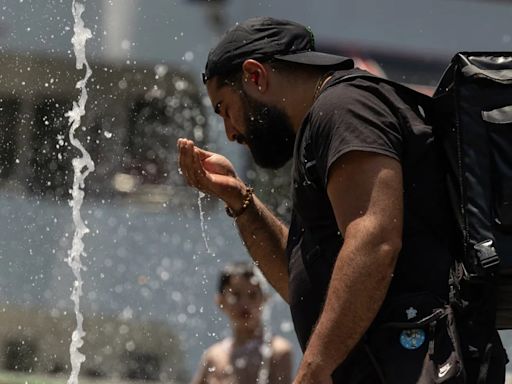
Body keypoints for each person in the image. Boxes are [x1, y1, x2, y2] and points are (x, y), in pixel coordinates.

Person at [178, 17, 507, 383]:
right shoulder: (325, 124)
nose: (229, 132)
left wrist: (314, 370)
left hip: (419, 365)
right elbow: (299, 284)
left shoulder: (344, 108)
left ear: (255, 76)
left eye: (224, 108)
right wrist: (241, 201)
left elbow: (374, 240)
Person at [190, 261, 293, 384]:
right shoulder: (213, 357)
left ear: (265, 299)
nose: (244, 304)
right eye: (236, 295)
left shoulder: (277, 352)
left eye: (252, 295)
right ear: (220, 301)